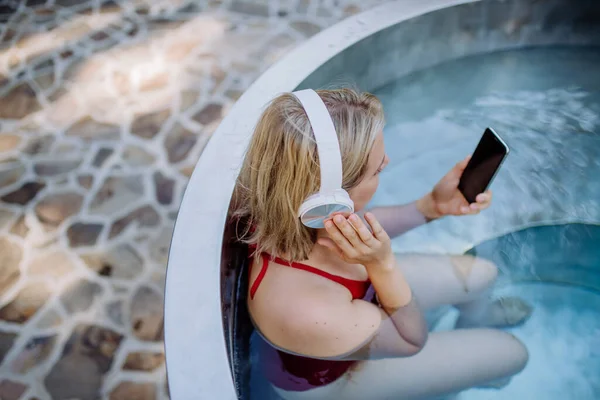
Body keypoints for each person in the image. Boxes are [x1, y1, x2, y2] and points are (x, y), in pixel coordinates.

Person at [231, 88, 532, 400]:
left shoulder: (290, 201)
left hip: (354, 306)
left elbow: (362, 222)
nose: (387, 162)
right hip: (335, 382)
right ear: (328, 201)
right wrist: (382, 266)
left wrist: (431, 206)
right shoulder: (307, 309)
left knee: (484, 275)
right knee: (513, 353)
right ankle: (467, 382)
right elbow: (411, 340)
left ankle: (475, 323)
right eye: (376, 169)